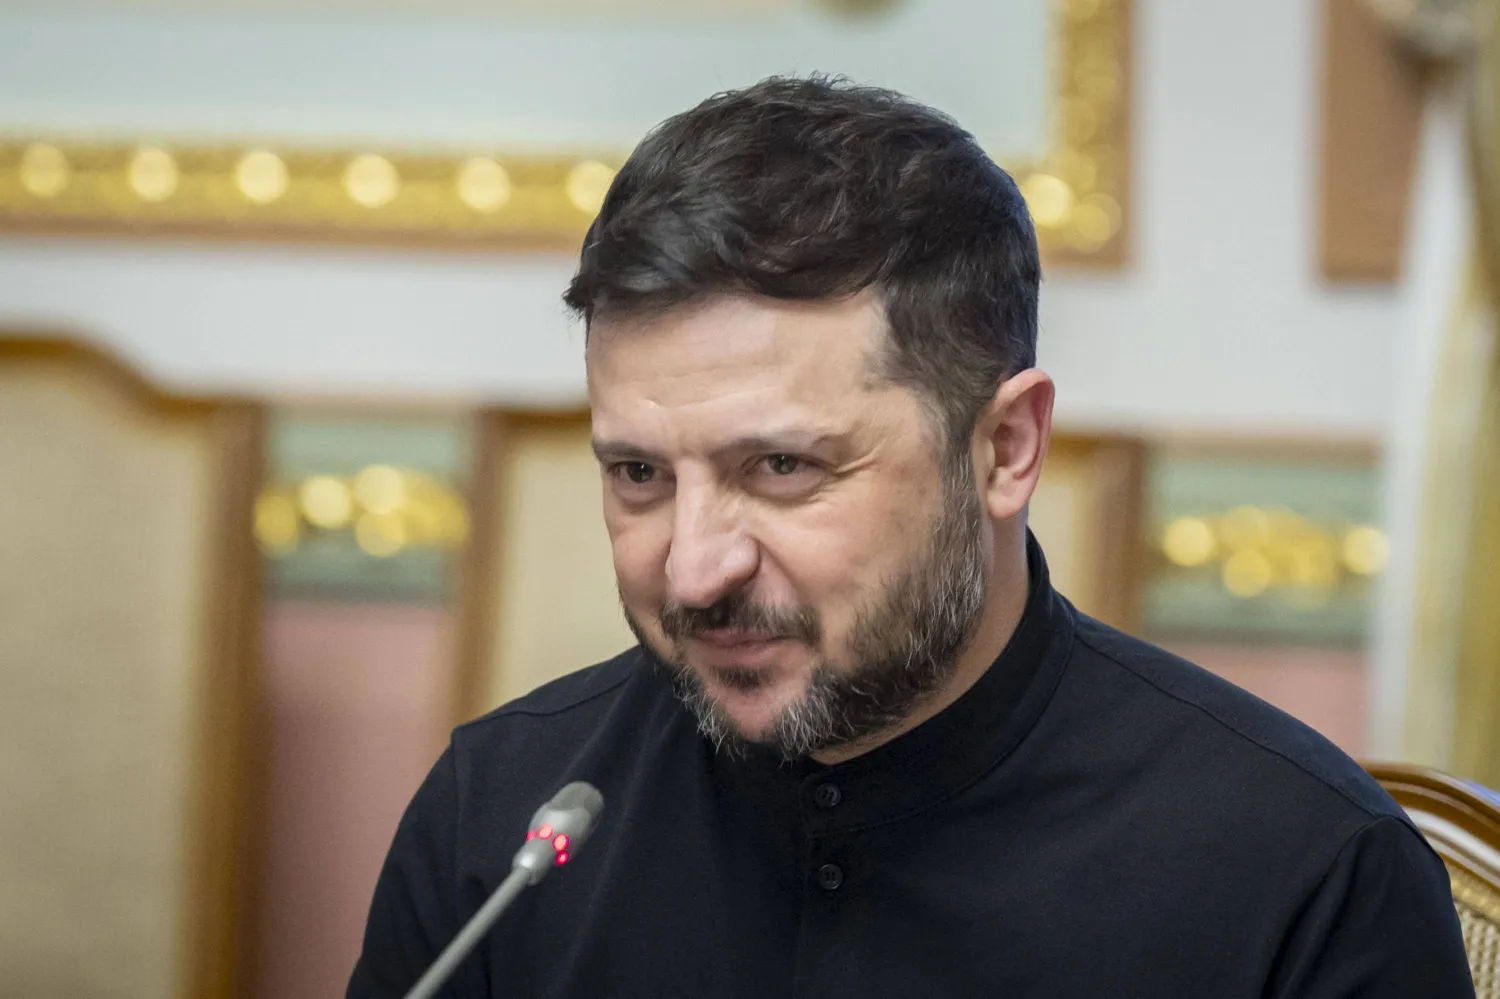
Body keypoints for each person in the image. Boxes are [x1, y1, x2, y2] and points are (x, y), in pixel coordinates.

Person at [348, 76, 1473, 998]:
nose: (694, 569)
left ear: (1003, 450)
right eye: (639, 475)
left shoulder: (1307, 876)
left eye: (781, 468)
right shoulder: (501, 824)